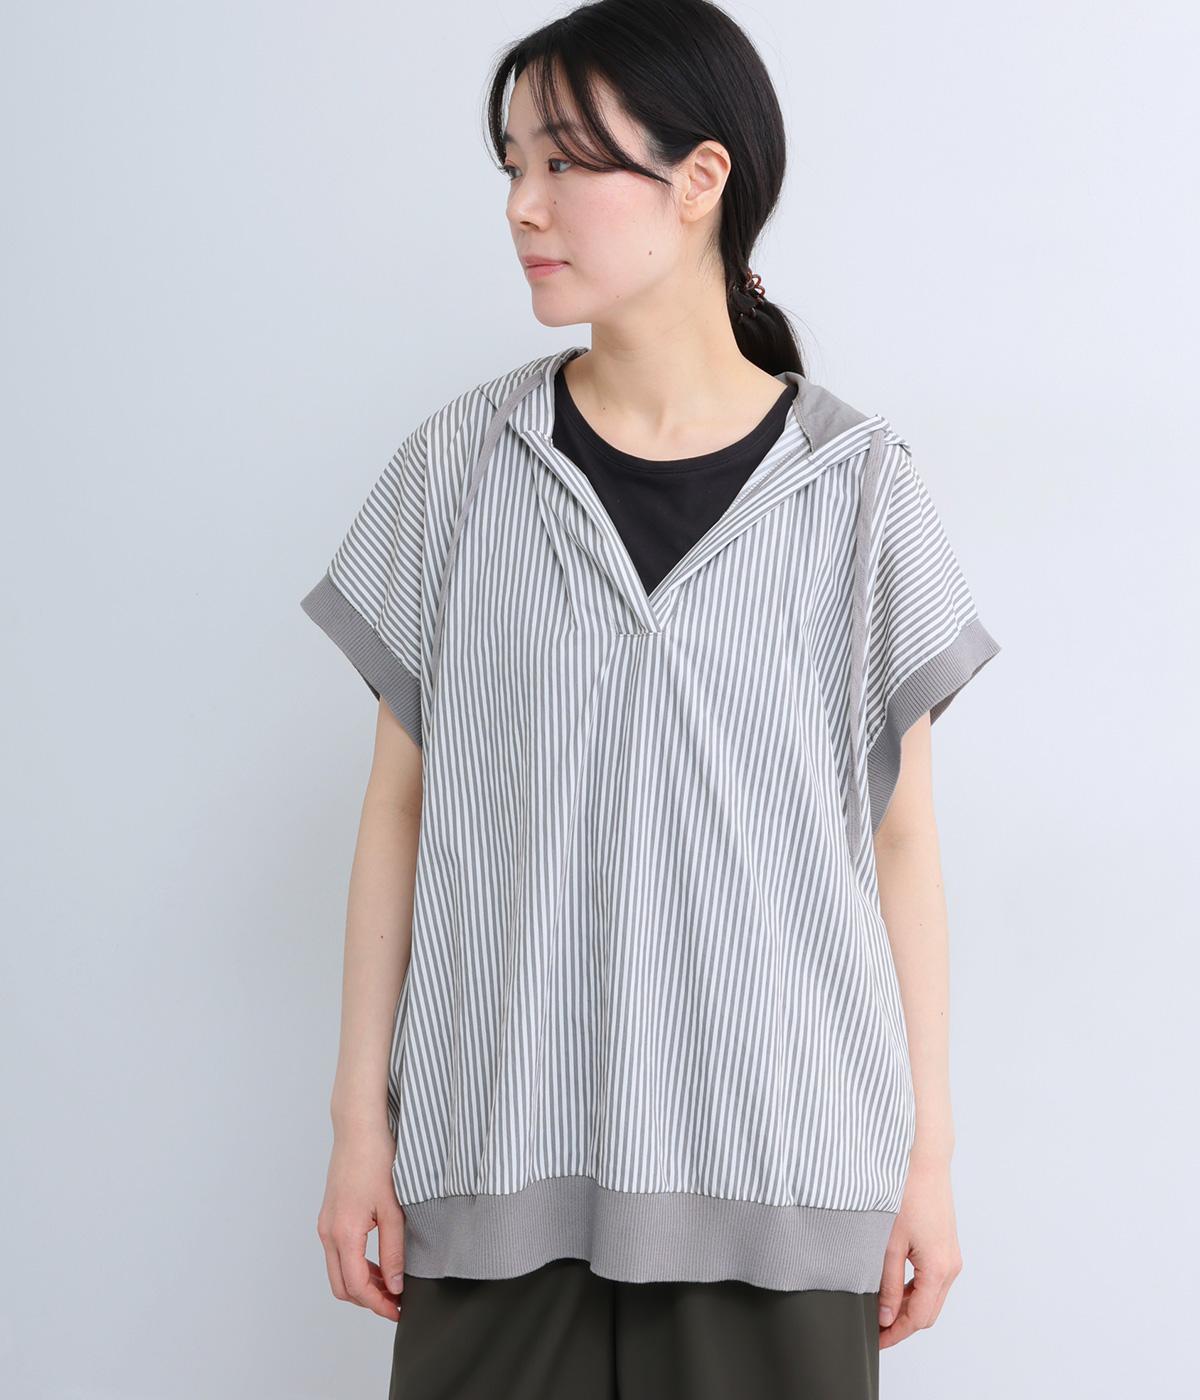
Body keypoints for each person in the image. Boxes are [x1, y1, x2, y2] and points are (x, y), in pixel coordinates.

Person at [302, 1, 1002, 1395]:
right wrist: (358, 1129)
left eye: (566, 161)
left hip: (782, 1177)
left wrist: (927, 1161)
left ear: (700, 180)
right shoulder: (460, 468)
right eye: (513, 164)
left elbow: (901, 840)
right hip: (496, 1169)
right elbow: (399, 809)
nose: (524, 204)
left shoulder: (861, 492)